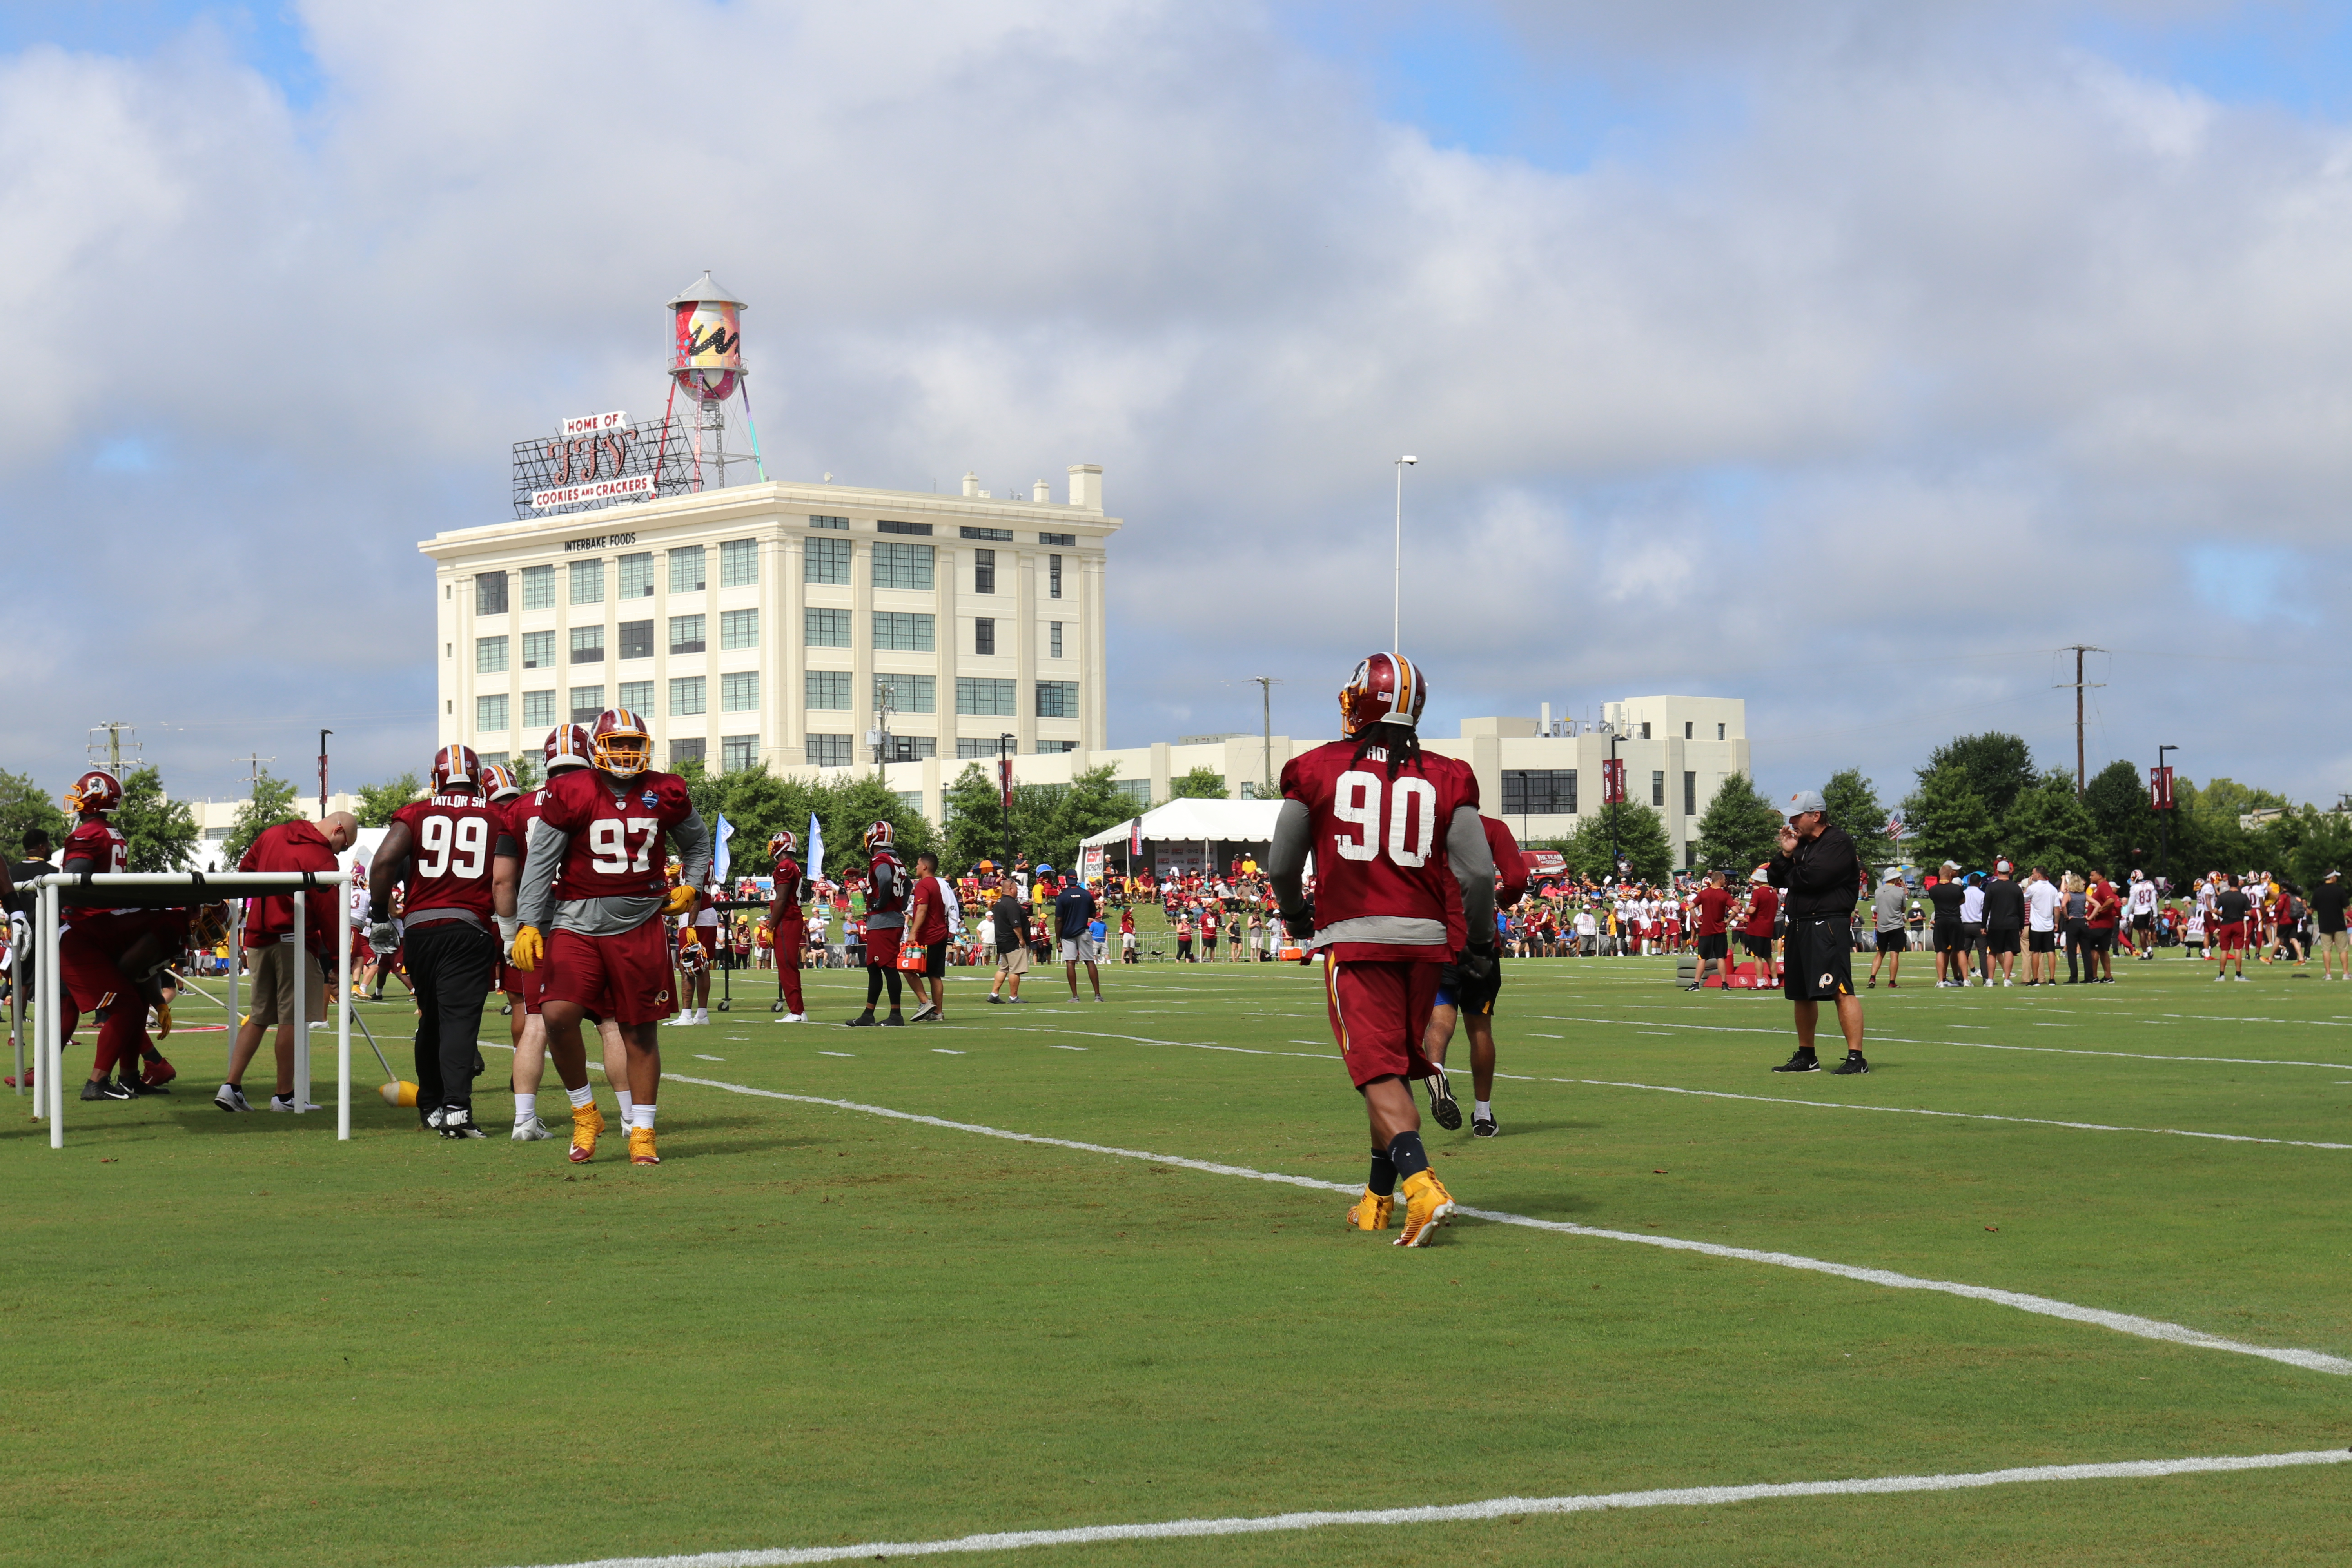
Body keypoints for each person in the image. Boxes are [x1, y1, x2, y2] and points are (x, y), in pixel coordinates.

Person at [1269, 652, 1494, 1246]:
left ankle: (1422, 1185)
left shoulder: (1315, 767)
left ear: (1361, 701)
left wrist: (1296, 915)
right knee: (1393, 1070)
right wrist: (1476, 942)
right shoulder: (1449, 774)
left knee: (1375, 1071)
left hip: (1357, 937)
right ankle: (1377, 1195)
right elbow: (1477, 875)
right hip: (1425, 945)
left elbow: (1282, 863)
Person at [513, 707, 708, 1165]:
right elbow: (541, 861)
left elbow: (697, 844)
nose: (625, 751)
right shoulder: (571, 790)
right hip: (577, 922)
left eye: (633, 744)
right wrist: (528, 921)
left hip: (640, 923)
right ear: (597, 749)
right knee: (558, 1015)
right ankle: (585, 1112)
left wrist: (693, 884)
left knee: (639, 1031)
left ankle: (642, 1132)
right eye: (617, 743)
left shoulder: (665, 790)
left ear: (646, 748)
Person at [368, 745, 503, 1138]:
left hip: (421, 931)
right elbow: (507, 877)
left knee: (433, 1019)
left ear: (437, 778)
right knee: (460, 1022)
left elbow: (382, 863)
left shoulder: (416, 813)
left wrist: (380, 915)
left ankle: (431, 1104)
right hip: (469, 928)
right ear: (477, 780)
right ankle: (457, 1111)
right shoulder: (496, 815)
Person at [219, 808, 360, 1112]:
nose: (342, 853)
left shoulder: (272, 834)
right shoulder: (322, 858)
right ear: (338, 831)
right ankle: (284, 1097)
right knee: (292, 1020)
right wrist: (339, 962)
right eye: (345, 846)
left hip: (258, 939)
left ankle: (231, 1086)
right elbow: (330, 914)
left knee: (258, 1016)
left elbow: (245, 871)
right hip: (292, 942)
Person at [497, 724, 596, 1141]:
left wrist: (509, 932)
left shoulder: (518, 808)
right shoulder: (601, 796)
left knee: (535, 1020)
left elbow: (504, 881)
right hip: (590, 921)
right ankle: (633, 1118)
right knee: (612, 1022)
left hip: (533, 925)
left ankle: (524, 1119)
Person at [1420, 813, 1524, 1138]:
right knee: (1480, 1028)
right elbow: (1517, 879)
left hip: (1437, 937)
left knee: (1439, 1020)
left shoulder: (1425, 827)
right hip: (1479, 939)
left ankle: (1435, 1070)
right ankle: (1483, 1115)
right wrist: (1503, 899)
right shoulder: (1492, 828)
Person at [1765, 790, 1867, 1075]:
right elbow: (1774, 878)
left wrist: (1792, 870)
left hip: (1827, 923)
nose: (1792, 820)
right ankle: (1807, 1055)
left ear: (1816, 815)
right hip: (1799, 922)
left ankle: (1856, 1058)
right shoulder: (1802, 844)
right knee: (1801, 993)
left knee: (1840, 989)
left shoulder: (1837, 841)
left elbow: (1812, 878)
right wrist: (1786, 853)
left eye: (1797, 815)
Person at [844, 822, 910, 1027]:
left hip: (884, 920)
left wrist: (881, 902)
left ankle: (896, 1015)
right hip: (886, 919)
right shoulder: (896, 859)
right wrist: (901, 903)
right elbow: (907, 884)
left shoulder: (880, 858)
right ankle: (868, 1013)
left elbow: (885, 878)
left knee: (888, 968)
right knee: (874, 967)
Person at [904, 851, 953, 1021]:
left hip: (929, 935)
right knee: (935, 975)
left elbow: (923, 910)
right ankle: (938, 1013)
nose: (916, 867)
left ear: (925, 866)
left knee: (906, 968)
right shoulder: (936, 884)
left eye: (918, 864)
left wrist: (913, 932)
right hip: (940, 932)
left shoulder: (923, 885)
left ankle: (925, 1002)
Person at [768, 829, 809, 1022]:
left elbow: (781, 899)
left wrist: (771, 926)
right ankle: (797, 1010)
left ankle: (797, 1012)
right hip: (791, 920)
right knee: (788, 966)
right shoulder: (792, 865)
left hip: (787, 920)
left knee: (787, 966)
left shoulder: (785, 867)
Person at [1056, 873, 1103, 1001]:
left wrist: (1057, 939)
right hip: (1083, 930)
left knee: (1070, 963)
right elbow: (1094, 913)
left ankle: (1075, 996)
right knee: (1089, 961)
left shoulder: (1062, 897)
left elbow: (1059, 920)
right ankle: (1097, 995)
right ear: (1076, 879)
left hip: (1067, 933)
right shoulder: (1086, 894)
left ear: (1067, 880)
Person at [1688, 867, 1736, 990]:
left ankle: (1696, 984)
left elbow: (1691, 907)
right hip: (1720, 930)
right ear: (1719, 880)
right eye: (1724, 880)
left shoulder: (1704, 893)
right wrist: (1728, 921)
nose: (1726, 881)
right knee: (1721, 957)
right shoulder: (1725, 895)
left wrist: (1698, 921)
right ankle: (1724, 984)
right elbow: (1736, 910)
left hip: (1706, 930)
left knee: (1702, 958)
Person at [1981, 859, 2024, 986]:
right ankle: (2007, 979)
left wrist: (1983, 925)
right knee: (2009, 950)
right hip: (2012, 923)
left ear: (1997, 871)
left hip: (1996, 923)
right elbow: (2021, 908)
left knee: (1993, 951)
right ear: (2010, 871)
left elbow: (1986, 907)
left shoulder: (1992, 887)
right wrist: (2021, 926)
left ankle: (1990, 979)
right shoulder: (2016, 888)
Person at [986, 877, 1029, 1002]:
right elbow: (1016, 924)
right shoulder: (1011, 904)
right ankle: (1014, 996)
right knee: (1016, 970)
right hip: (1013, 942)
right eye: (1016, 888)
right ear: (1011, 889)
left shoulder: (999, 902)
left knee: (1003, 969)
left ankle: (994, 994)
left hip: (1002, 940)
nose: (1017, 891)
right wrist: (1021, 939)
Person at [1926, 862, 1967, 988]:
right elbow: (1962, 901)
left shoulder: (1933, 890)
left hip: (1940, 921)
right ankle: (1966, 979)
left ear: (1940, 874)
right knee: (1960, 949)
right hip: (1955, 920)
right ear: (1950, 875)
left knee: (1941, 950)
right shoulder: (1957, 889)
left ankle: (1941, 980)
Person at [1866, 868, 1908, 988]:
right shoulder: (1899, 892)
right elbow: (1903, 909)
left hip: (1882, 927)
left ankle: (1873, 977)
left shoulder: (1878, 891)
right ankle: (1892, 982)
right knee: (1894, 954)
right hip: (1896, 926)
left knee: (1880, 953)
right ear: (1895, 878)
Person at [1739, 868, 1779, 980]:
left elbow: (1751, 911)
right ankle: (1775, 981)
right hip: (1768, 927)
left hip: (1756, 928)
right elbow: (1775, 912)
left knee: (1757, 956)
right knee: (1769, 956)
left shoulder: (1758, 893)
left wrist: (1745, 910)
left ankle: (1760, 982)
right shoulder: (1774, 894)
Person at [2023, 866, 2060, 985]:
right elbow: (2057, 908)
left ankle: (2035, 979)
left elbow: (2023, 898)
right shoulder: (2053, 889)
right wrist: (2056, 922)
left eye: (2033, 874)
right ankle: (2052, 978)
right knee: (2050, 952)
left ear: (2039, 875)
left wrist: (2028, 884)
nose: (2032, 876)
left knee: (2035, 952)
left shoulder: (2033, 888)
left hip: (2036, 926)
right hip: (2048, 925)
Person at [2210, 873, 2251, 981]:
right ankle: (2238, 975)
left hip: (2226, 924)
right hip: (2238, 924)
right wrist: (2242, 914)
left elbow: (2215, 911)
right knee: (2238, 949)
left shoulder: (2223, 896)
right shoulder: (2243, 897)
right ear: (2238, 883)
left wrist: (2223, 915)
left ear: (2228, 883)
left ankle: (2222, 975)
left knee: (2225, 950)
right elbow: (2250, 913)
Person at [2083, 871, 2119, 983]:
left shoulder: (2104, 886)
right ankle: (2108, 976)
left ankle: (2094, 976)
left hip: (2100, 925)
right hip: (2102, 924)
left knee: (2094, 949)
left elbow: (2111, 900)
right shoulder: (2100, 887)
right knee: (2102, 950)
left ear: (2100, 876)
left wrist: (2099, 911)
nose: (2090, 877)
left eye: (2092, 875)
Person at [2313, 870, 2349, 980]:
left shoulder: (2318, 892)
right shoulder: (2339, 891)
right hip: (2339, 924)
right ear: (2332, 878)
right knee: (2343, 949)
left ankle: (2328, 974)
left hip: (2325, 924)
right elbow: (2347, 906)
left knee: (2326, 950)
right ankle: (2345, 974)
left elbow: (2313, 908)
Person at [2125, 870, 2158, 961]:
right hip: (2148, 911)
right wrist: (2155, 914)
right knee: (2145, 931)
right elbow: (2154, 902)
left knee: (2141, 933)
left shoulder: (2134, 888)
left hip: (2139, 912)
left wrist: (2128, 915)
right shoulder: (2150, 886)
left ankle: (2145, 953)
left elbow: (2131, 904)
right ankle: (2149, 949)